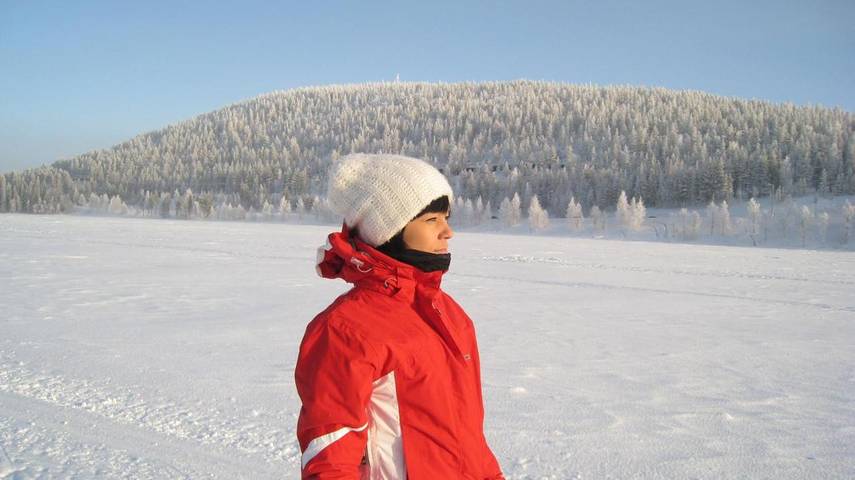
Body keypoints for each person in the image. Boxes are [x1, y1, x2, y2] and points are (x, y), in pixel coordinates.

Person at [295, 153, 504, 479]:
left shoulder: (450, 316)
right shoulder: (345, 330)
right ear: (389, 231)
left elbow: (470, 439)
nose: (448, 232)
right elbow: (331, 457)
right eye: (432, 220)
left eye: (446, 218)